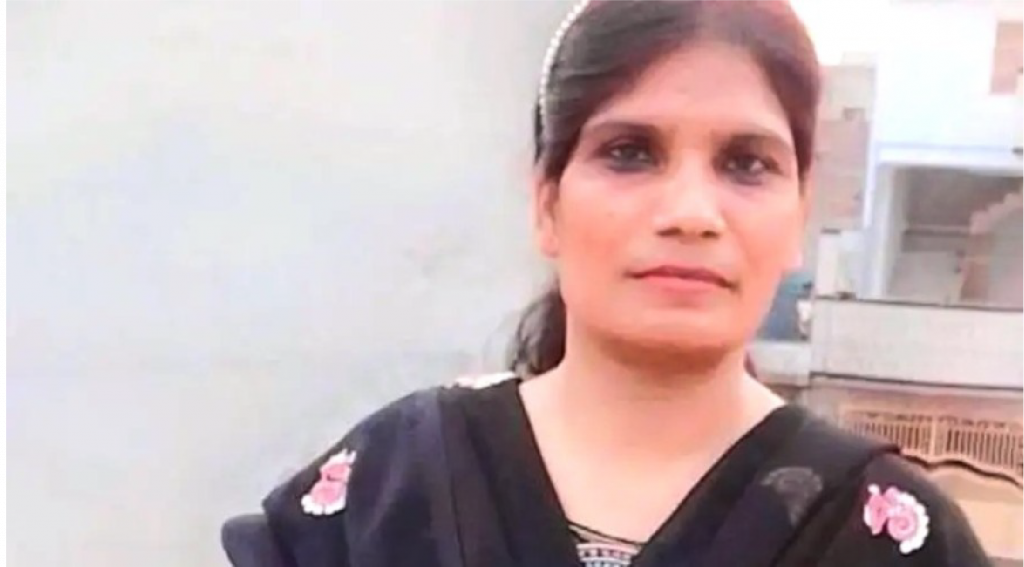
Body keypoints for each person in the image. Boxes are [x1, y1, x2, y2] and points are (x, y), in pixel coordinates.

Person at [226, 0, 992, 565]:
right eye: (629, 152)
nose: (690, 213)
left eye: (746, 163)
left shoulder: (883, 536)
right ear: (546, 203)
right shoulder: (392, 486)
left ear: (798, 214)